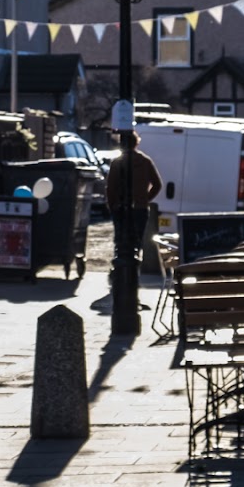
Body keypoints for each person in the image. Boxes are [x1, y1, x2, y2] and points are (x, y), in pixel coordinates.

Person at [104, 129, 162, 339]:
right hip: (139, 209)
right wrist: (145, 199)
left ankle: (120, 280)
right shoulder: (144, 161)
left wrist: (114, 207)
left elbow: (110, 188)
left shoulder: (117, 162)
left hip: (122, 209)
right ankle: (131, 281)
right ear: (136, 143)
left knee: (121, 244)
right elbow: (158, 184)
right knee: (135, 245)